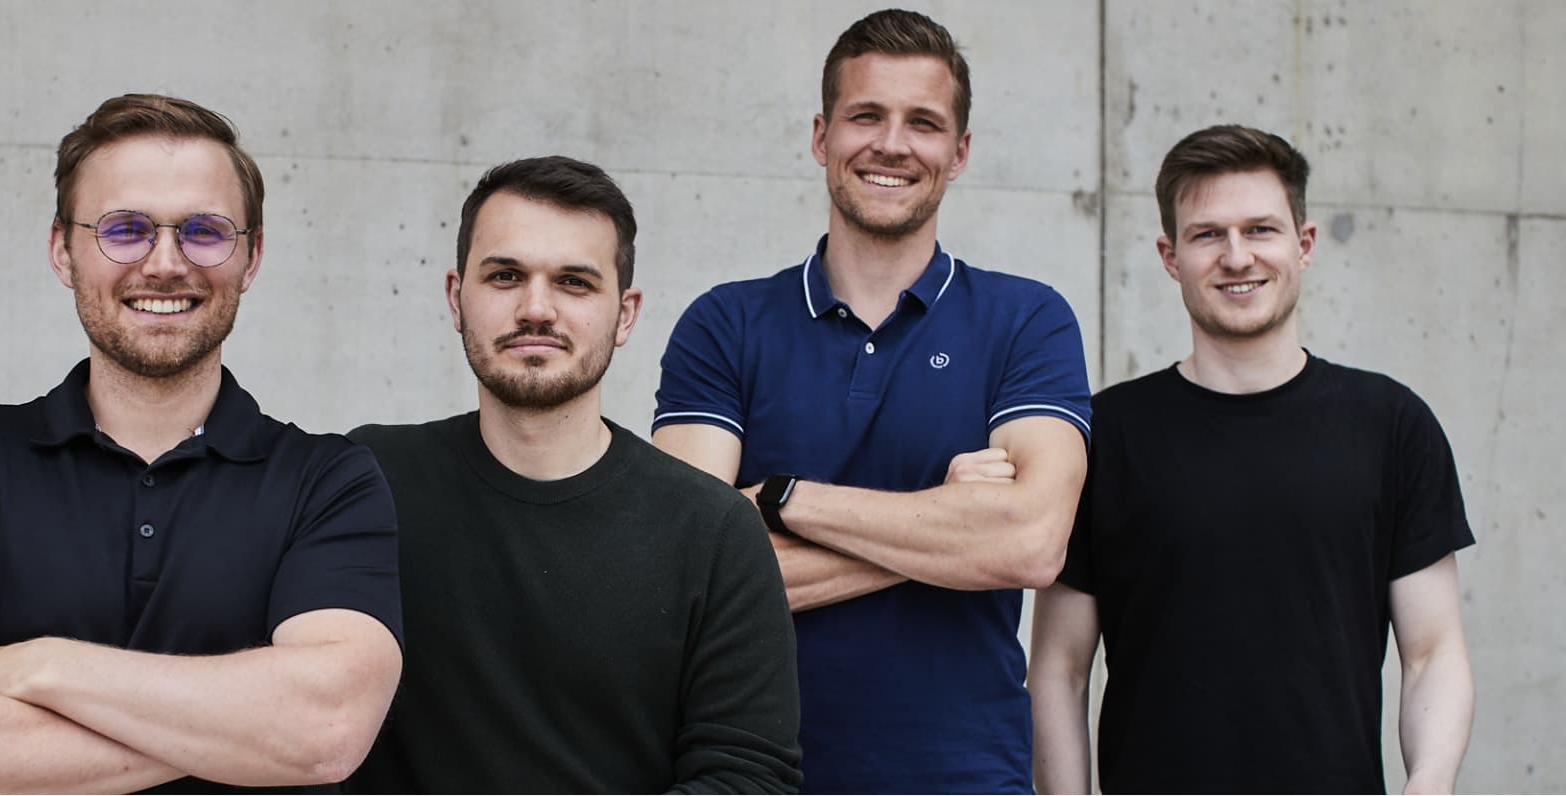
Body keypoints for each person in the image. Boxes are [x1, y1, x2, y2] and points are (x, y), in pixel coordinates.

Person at [0, 93, 404, 793]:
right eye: (125, 229)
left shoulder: (330, 480)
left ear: (251, 256)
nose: (165, 263)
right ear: (62, 250)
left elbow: (323, 731)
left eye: (205, 231)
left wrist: (42, 666)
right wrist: (244, 730)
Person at [652, 9, 1092, 793]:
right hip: (754, 775)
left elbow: (1028, 546)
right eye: (866, 116)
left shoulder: (1027, 319)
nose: (892, 144)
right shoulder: (725, 323)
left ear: (958, 154)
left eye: (923, 123)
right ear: (821, 137)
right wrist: (952, 532)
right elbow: (683, 577)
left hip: (966, 776)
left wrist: (783, 500)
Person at [1027, 124, 1476, 794]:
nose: (1237, 256)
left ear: (1304, 244)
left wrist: (1429, 785)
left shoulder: (1391, 425)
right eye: (1208, 234)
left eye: (1261, 229)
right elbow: (1059, 668)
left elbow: (1432, 652)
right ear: (1170, 255)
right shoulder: (1104, 434)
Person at [343, 156, 802, 793]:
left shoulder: (713, 531)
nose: (537, 309)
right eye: (505, 276)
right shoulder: (365, 485)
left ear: (627, 313)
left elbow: (746, 778)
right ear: (457, 297)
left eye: (575, 283)